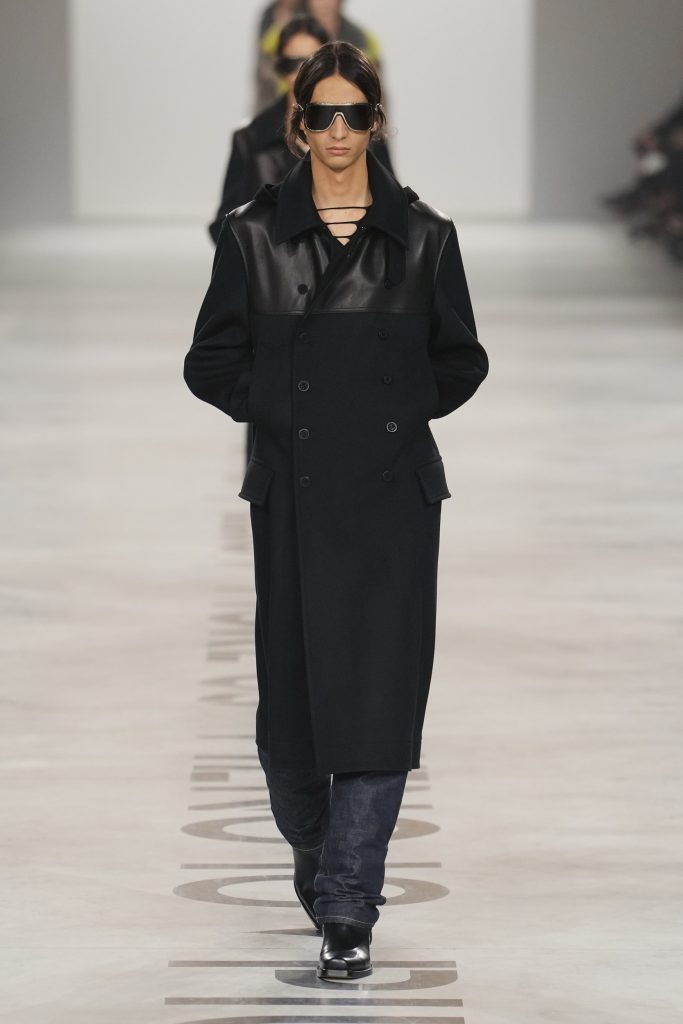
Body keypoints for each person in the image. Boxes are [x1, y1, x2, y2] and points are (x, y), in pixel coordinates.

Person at [183, 41, 489, 981]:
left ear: (376, 122)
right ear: (299, 124)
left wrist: (386, 409)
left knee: (379, 701)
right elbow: (209, 360)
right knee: (290, 724)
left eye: (356, 113)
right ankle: (318, 853)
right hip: (293, 495)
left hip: (394, 496)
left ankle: (350, 904)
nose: (340, 131)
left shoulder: (425, 237)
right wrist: (283, 408)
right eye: (324, 115)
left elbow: (461, 358)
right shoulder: (251, 237)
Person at [209, 15, 397, 468]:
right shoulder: (251, 140)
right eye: (290, 63)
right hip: (278, 314)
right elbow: (226, 225)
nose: (298, 71)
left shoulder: (357, 138)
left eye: (307, 60)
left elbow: (392, 220)